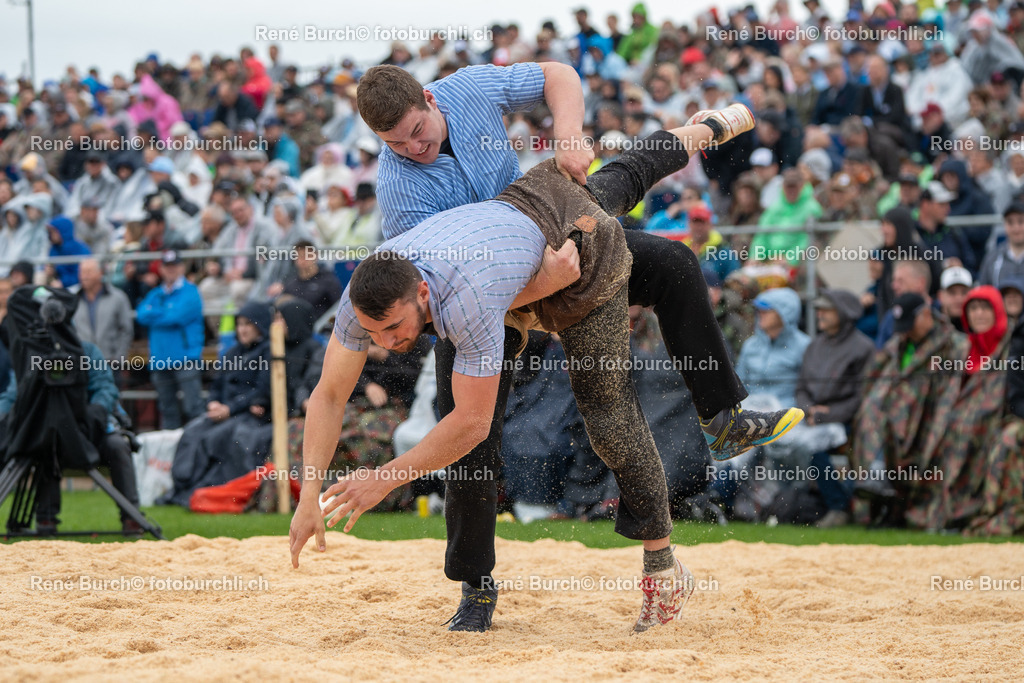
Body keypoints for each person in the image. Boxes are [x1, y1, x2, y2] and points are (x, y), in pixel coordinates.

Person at [290, 117, 804, 634]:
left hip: (574, 263)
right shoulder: (369, 297)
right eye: (374, 332)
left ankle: (663, 569)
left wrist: (385, 478)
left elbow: (471, 421)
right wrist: (309, 492)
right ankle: (476, 587)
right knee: (625, 177)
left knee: (608, 415)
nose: (386, 343)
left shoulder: (464, 301)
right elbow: (329, 395)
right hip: (523, 232)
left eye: (394, 328)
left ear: (421, 293)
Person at [354, 63, 796, 466]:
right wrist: (543, 287)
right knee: (471, 453)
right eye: (396, 144)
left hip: (544, 222)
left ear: (430, 99)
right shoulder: (399, 189)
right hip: (483, 300)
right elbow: (432, 297)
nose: (414, 148)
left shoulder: (466, 87)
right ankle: (708, 128)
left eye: (417, 130)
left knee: (668, 249)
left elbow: (558, 74)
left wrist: (568, 137)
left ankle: (721, 419)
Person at [0, 340, 141, 535]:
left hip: (91, 428)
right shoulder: (33, 353)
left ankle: (132, 517)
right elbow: (14, 395)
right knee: (46, 441)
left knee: (117, 445)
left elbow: (105, 389)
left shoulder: (88, 351)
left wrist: (94, 414)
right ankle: (46, 519)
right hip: (51, 430)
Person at [795, 289, 875, 528]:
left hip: (849, 421)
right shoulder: (814, 345)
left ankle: (839, 507)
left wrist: (830, 415)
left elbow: (865, 395)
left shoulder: (864, 348)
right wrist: (809, 410)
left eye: (825, 309)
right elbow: (800, 387)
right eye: (818, 309)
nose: (819, 314)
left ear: (843, 312)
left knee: (816, 448)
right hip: (812, 418)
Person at [136, 251, 205, 429]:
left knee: (193, 407)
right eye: (167, 266)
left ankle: (199, 449)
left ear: (182, 267)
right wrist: (166, 311)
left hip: (185, 358)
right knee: (167, 409)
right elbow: (141, 314)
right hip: (160, 359)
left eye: (174, 265)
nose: (171, 270)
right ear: (161, 269)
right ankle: (171, 452)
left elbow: (176, 317)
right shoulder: (156, 293)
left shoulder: (191, 291)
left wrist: (157, 313)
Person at [72, 258, 134, 366]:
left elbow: (126, 330)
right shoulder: (72, 299)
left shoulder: (117, 298)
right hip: (81, 363)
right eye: (81, 272)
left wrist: (118, 358)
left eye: (88, 272)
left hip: (110, 361)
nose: (84, 276)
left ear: (100, 273)